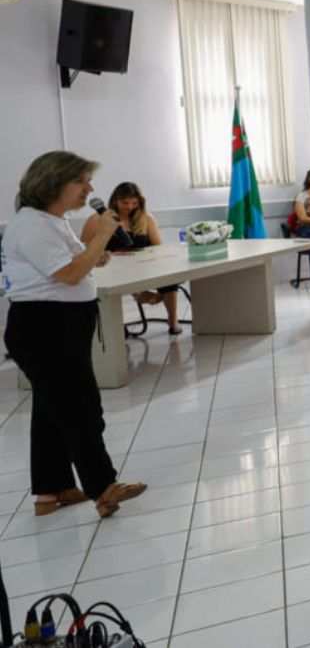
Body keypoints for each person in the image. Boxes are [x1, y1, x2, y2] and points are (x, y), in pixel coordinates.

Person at [2, 151, 147, 518]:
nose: (90, 189)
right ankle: (103, 486)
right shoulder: (32, 225)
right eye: (81, 181)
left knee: (52, 409)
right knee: (80, 408)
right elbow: (66, 274)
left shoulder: (51, 220)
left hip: (59, 324)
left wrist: (95, 254)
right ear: (54, 183)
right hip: (44, 328)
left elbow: (75, 265)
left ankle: (52, 491)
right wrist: (101, 237)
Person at [104, 181, 183, 334]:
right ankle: (139, 294)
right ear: (115, 201)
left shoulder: (146, 218)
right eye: (124, 203)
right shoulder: (101, 219)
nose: (129, 207)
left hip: (144, 265)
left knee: (169, 279)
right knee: (121, 278)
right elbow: (88, 247)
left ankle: (173, 321)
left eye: (134, 203)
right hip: (115, 269)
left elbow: (158, 248)